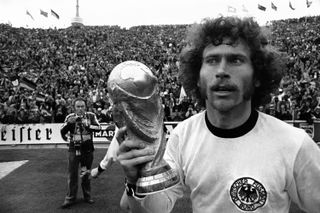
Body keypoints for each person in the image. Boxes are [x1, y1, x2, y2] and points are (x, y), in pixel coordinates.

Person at [115, 17, 320, 213]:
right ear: (197, 77)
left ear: (257, 76)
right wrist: (135, 181)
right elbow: (157, 208)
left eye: (235, 60)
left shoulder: (294, 143)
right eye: (212, 60)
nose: (221, 70)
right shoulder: (183, 136)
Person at [60, 97, 101, 208]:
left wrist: (88, 125)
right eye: (78, 106)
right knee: (72, 175)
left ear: (85, 107)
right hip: (74, 150)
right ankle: (70, 199)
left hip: (87, 150)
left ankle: (87, 196)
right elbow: (62, 131)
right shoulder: (69, 117)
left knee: (85, 174)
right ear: (74, 108)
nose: (80, 109)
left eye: (82, 106)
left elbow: (99, 128)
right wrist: (69, 124)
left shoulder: (91, 116)